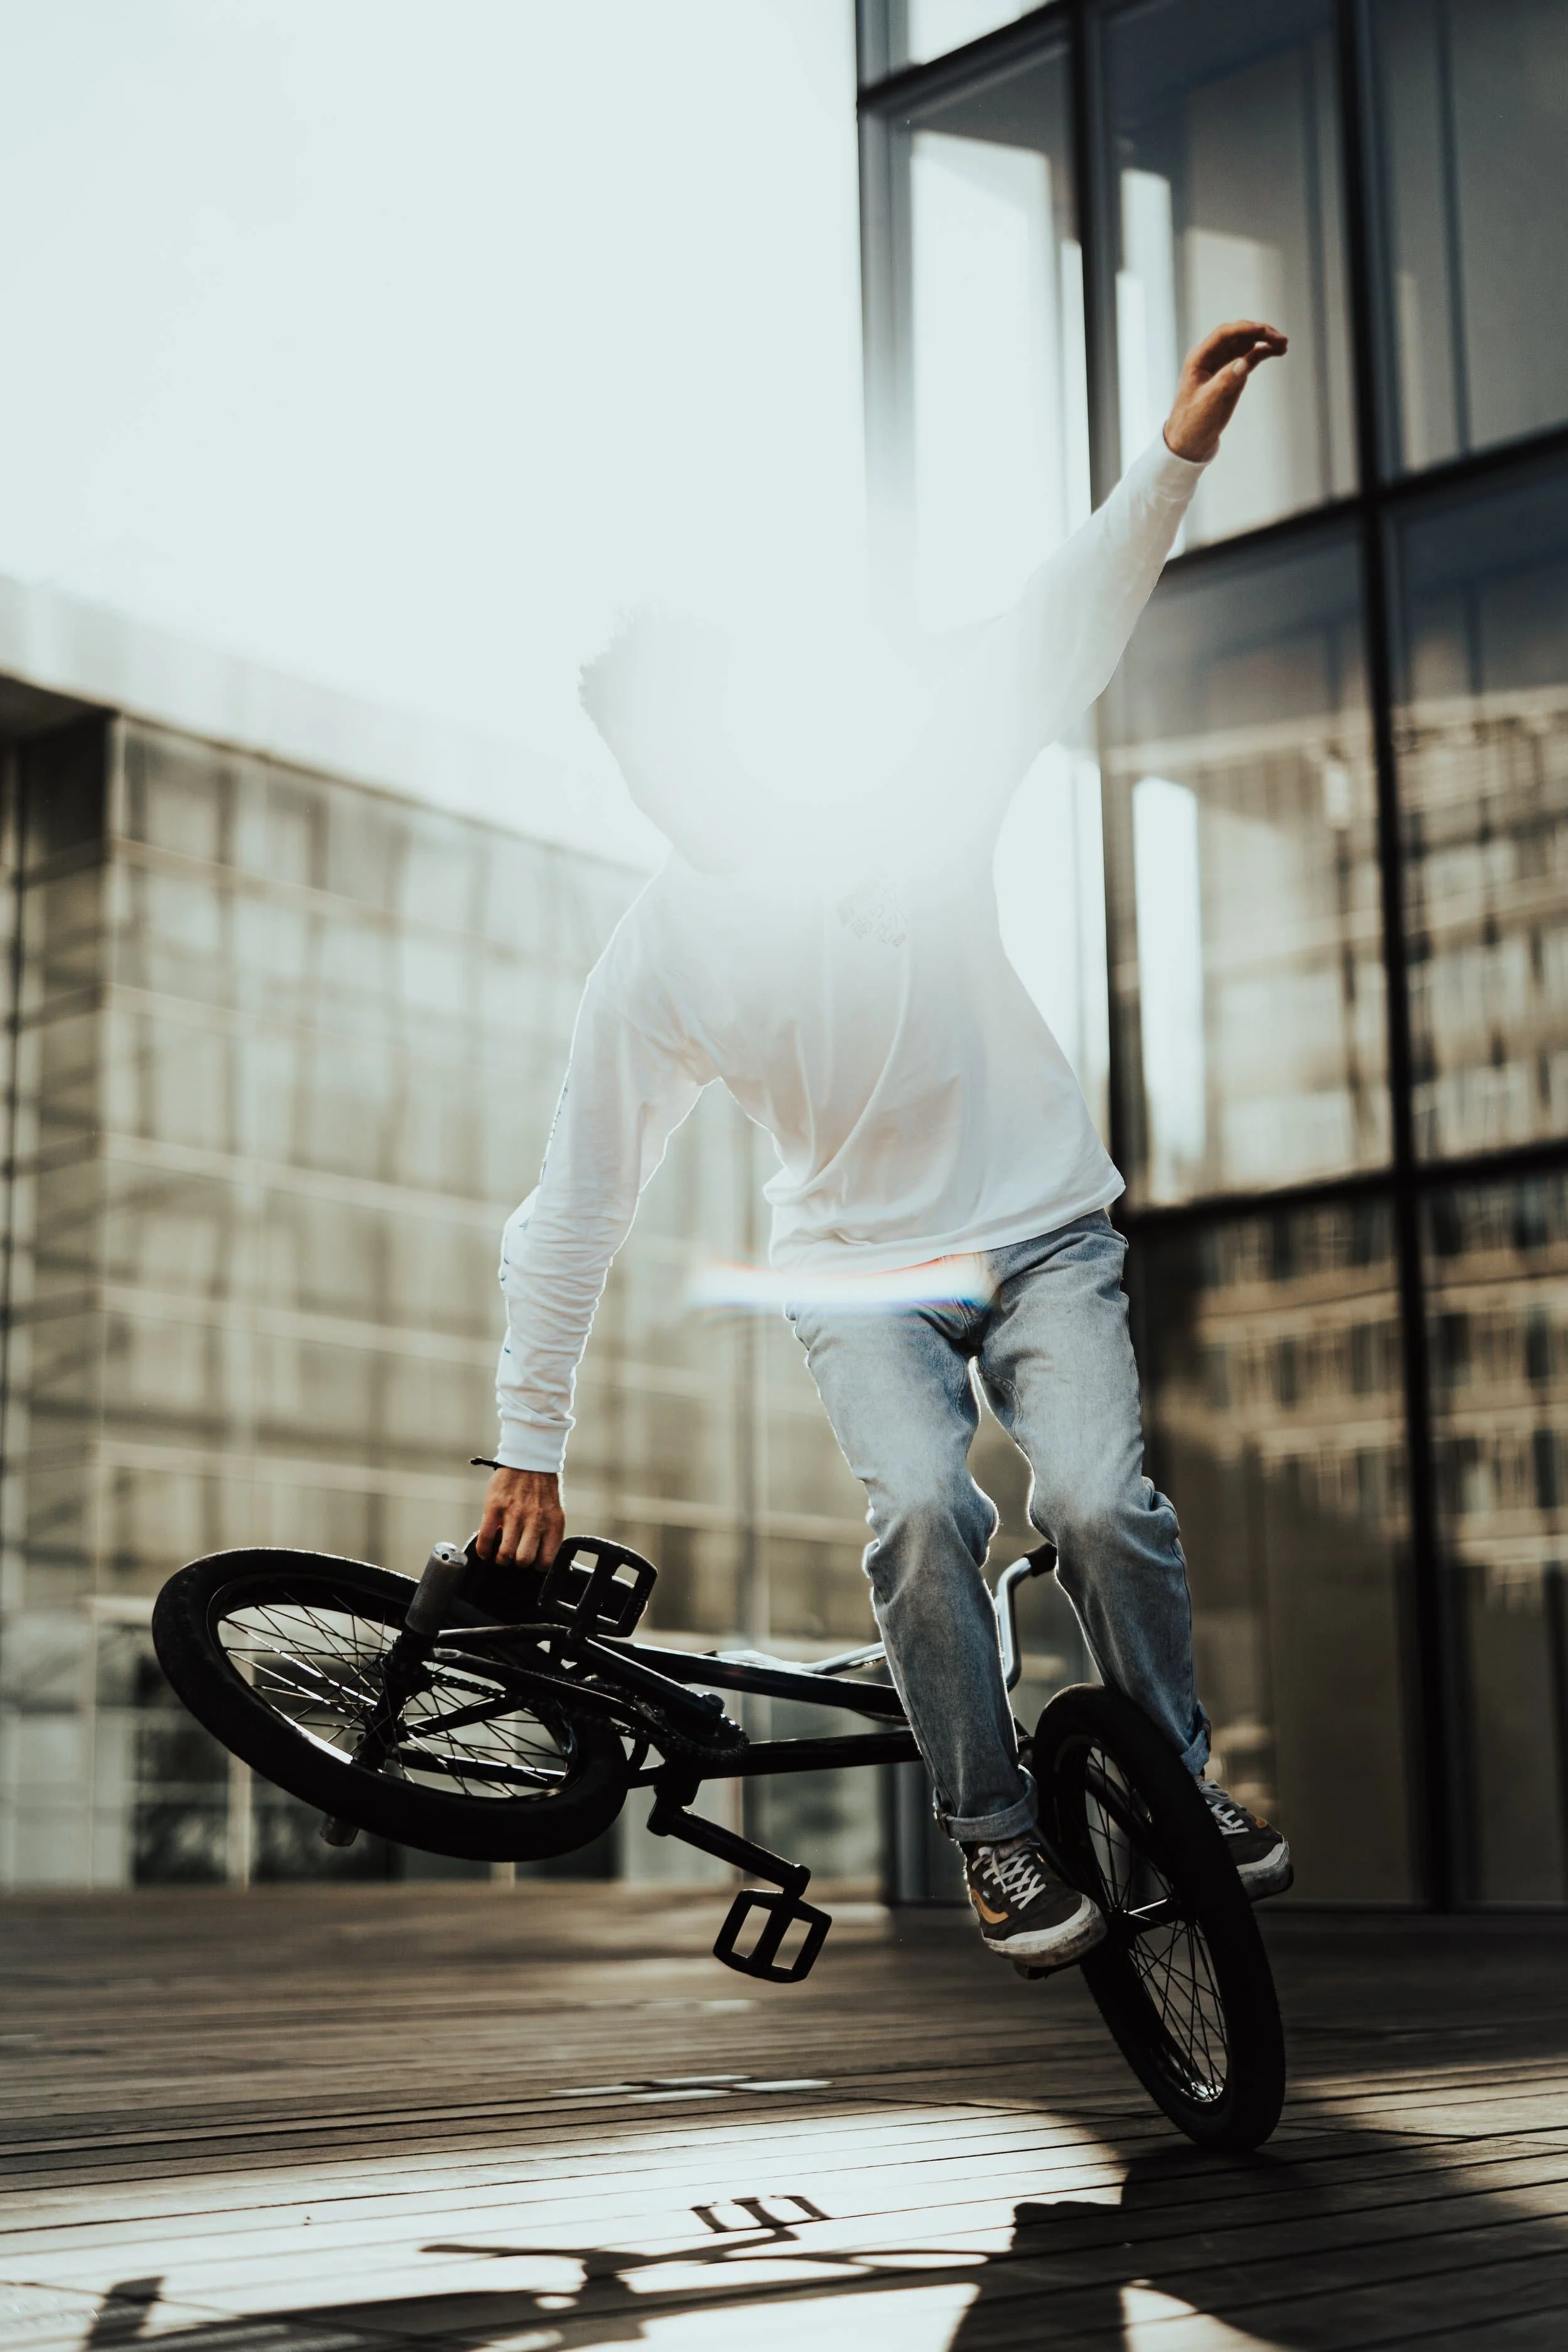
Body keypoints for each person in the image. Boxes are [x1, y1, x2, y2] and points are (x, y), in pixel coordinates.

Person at [477, 320, 1293, 1965]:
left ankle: (1184, 1788)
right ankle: (996, 1840)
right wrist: (526, 1440)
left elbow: (1055, 628)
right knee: (923, 1509)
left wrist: (1175, 456)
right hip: (857, 1272)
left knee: (1097, 1501)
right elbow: (579, 1202)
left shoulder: (900, 798)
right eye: (646, 771)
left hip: (1042, 1234)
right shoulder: (655, 958)